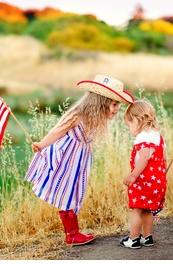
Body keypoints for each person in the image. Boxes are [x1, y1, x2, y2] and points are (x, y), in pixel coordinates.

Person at [25, 74, 134, 246]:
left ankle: (73, 233)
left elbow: (86, 139)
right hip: (66, 157)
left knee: (75, 191)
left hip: (79, 159)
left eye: (117, 105)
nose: (116, 108)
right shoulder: (77, 115)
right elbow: (57, 131)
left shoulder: (95, 117)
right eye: (114, 104)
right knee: (67, 192)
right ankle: (72, 234)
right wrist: (42, 144)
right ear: (101, 102)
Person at [120, 99, 167, 249]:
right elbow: (163, 158)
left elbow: (144, 158)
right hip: (157, 180)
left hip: (143, 180)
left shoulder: (142, 137)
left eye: (129, 125)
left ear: (137, 119)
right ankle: (147, 238)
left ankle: (133, 239)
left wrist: (133, 175)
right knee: (148, 209)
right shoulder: (158, 136)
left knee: (137, 210)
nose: (130, 129)